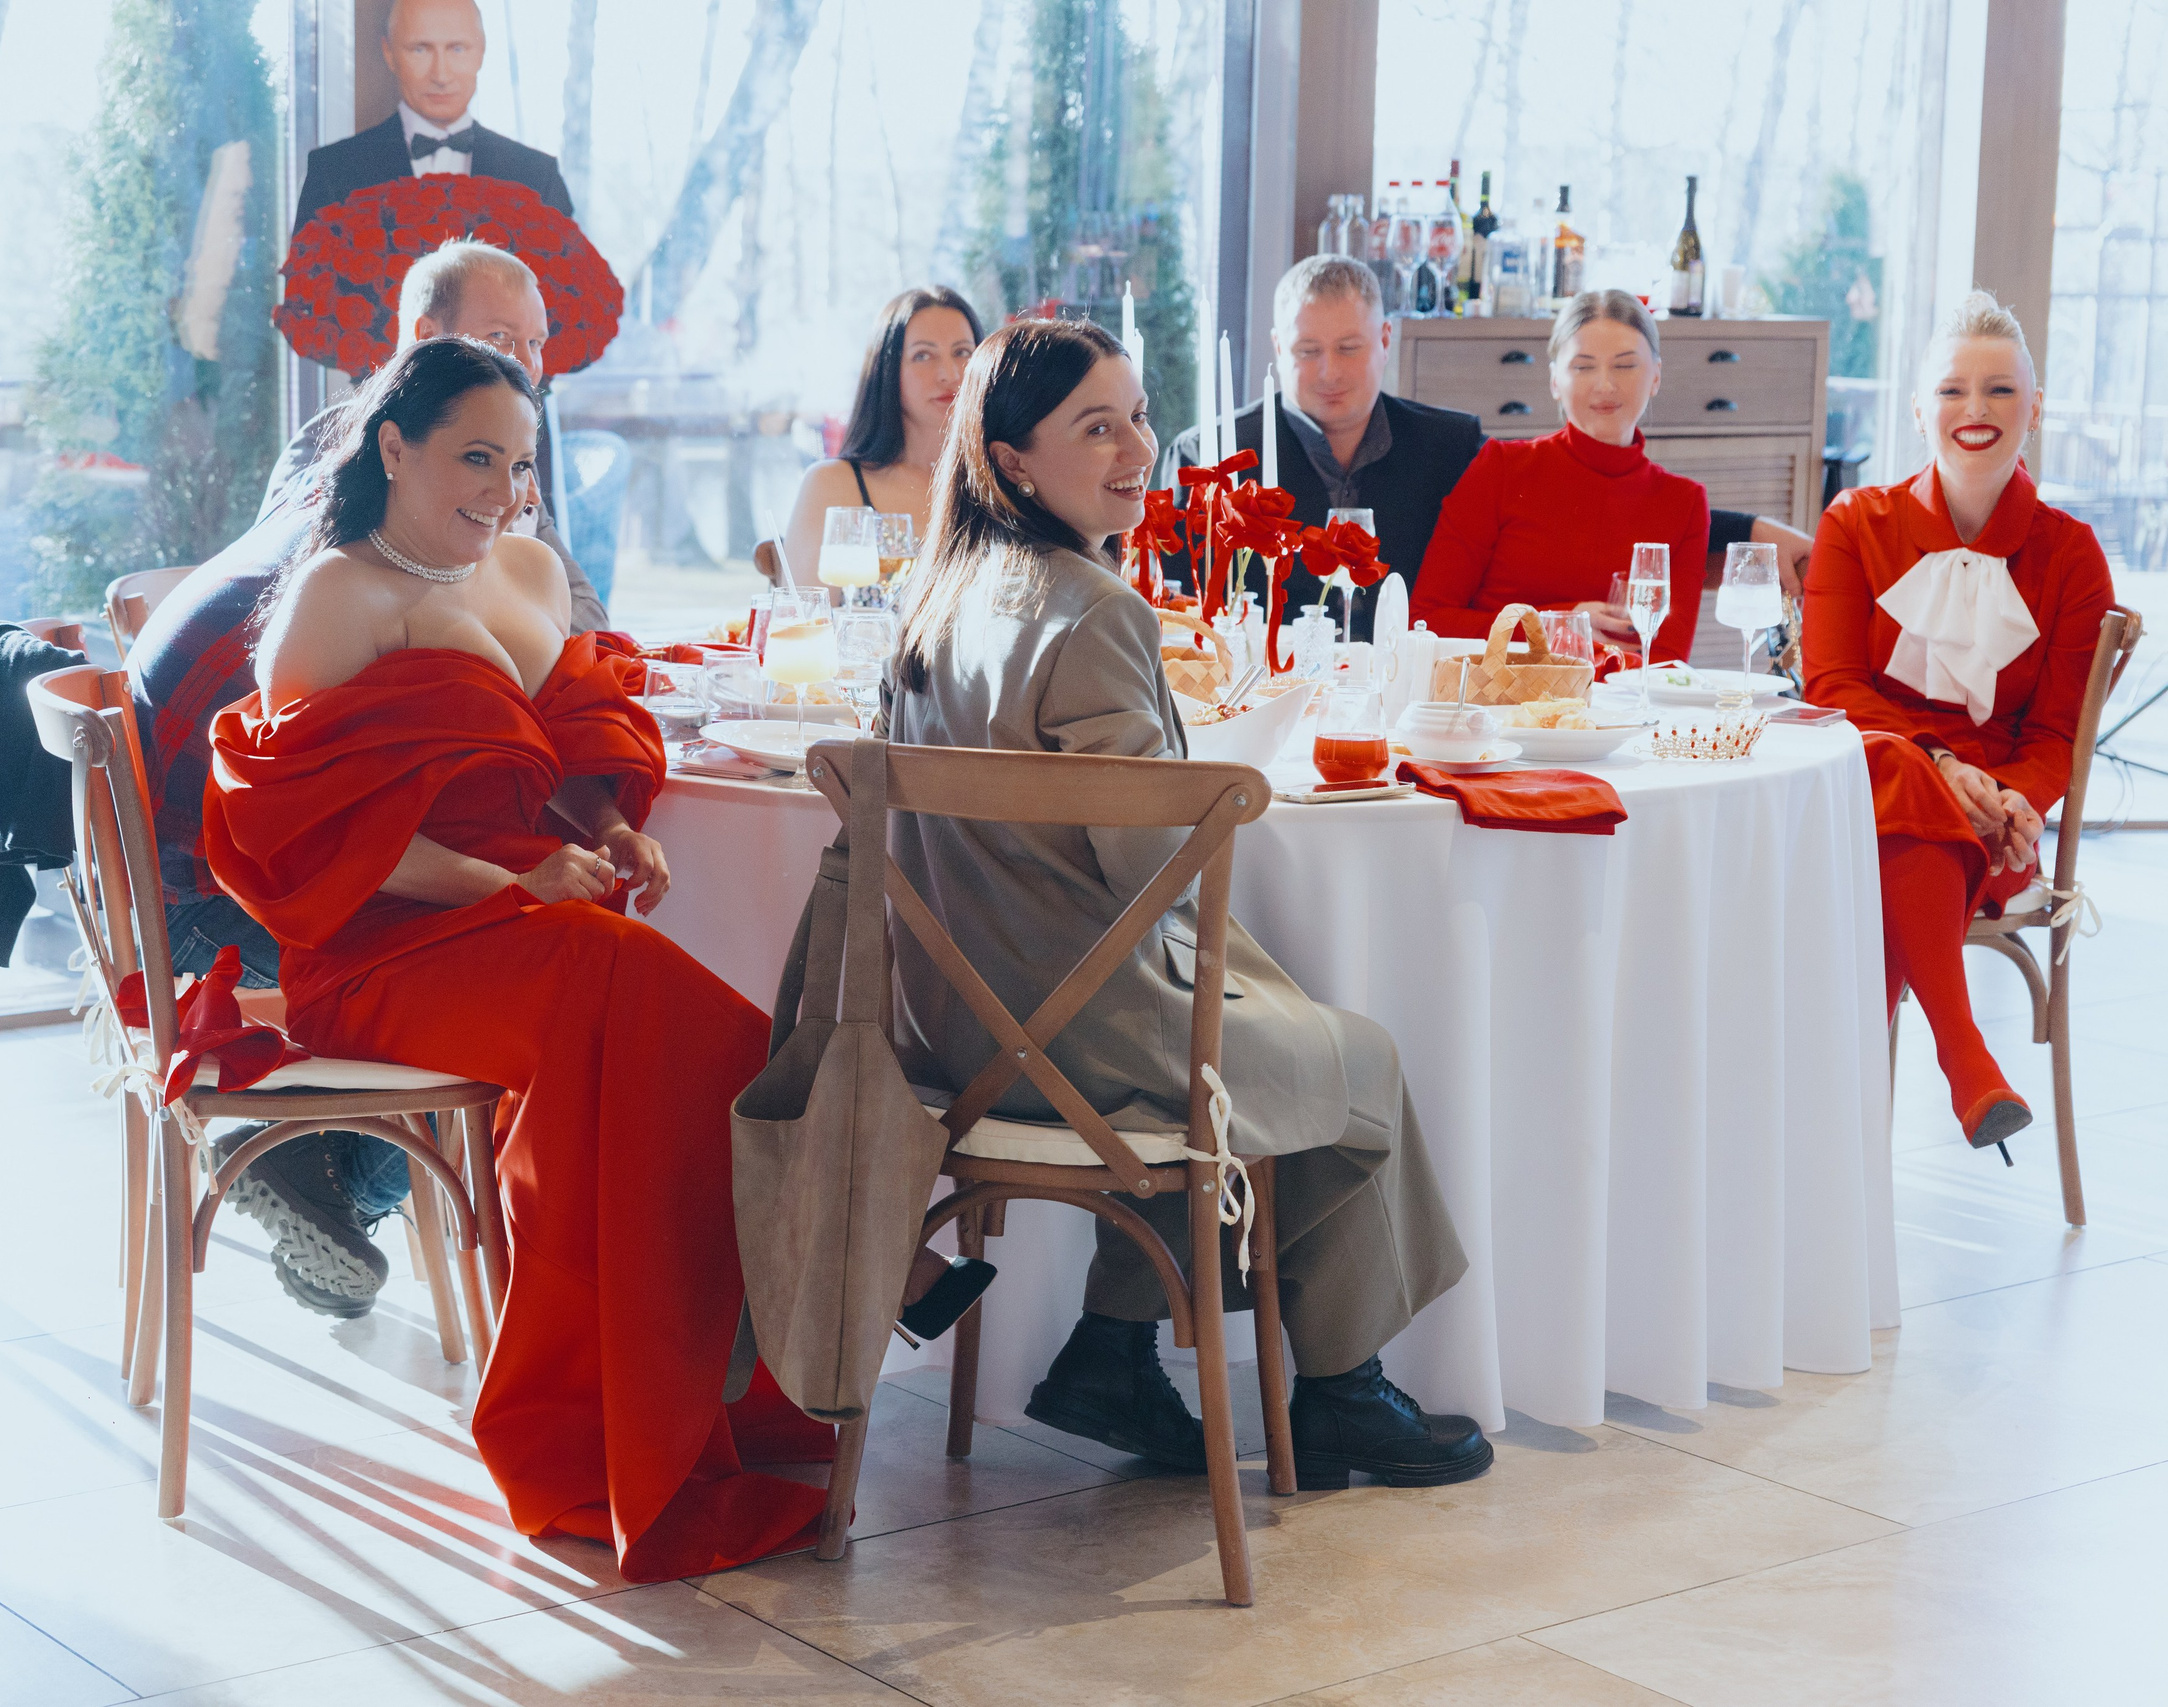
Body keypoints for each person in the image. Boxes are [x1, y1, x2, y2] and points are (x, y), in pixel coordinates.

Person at [199, 336, 832, 1579]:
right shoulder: (335, 597)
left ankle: (672, 1407)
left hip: (525, 926)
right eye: (473, 458)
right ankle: (618, 1422)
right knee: (666, 1016)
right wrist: (516, 881)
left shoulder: (515, 569)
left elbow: (567, 745)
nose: (502, 489)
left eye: (522, 463)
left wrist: (601, 831)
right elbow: (318, 842)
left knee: (638, 1037)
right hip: (383, 951)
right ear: (393, 448)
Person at [886, 318, 1490, 1488]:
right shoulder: (1093, 609)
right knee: (1356, 1068)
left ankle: (1116, 1352)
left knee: (1274, 1048)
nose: (1135, 449)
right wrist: (1213, 786)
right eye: (1094, 426)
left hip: (956, 1027)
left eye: (1138, 417)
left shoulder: (942, 596)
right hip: (1079, 1035)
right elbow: (1143, 867)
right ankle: (1339, 1390)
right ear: (1010, 458)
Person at [129, 241, 602, 1321]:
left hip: (214, 857)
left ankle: (355, 1173)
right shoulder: (389, 530)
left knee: (566, 946)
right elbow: (318, 819)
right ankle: (344, 1164)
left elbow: (562, 660)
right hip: (223, 901)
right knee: (543, 962)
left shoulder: (366, 464)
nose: (525, 370)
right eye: (498, 345)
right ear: (423, 365)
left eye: (535, 348)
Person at [1801, 291, 2115, 1151]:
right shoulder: (1853, 524)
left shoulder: (2072, 555)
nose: (1975, 411)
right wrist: (1941, 762)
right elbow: (1831, 685)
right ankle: (1966, 1059)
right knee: (1894, 767)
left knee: (1900, 822)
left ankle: (1834, 1148)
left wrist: (2012, 803)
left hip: (1996, 829)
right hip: (1862, 776)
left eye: (2000, 391)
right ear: (1918, 408)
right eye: (1952, 390)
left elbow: (2057, 735)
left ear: (2036, 411)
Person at [263, 238, 602, 625]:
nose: (526, 363)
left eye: (536, 342)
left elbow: (587, 611)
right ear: (426, 335)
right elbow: (284, 591)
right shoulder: (334, 441)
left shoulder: (508, 455)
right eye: (500, 337)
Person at [1155, 257, 1483, 639]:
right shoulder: (1207, 456)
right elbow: (1175, 609)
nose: (1330, 372)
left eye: (1348, 348)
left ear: (1385, 340)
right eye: (1308, 351)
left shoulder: (1452, 447)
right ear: (1279, 347)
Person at [1412, 289, 1711, 664]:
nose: (1605, 385)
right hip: (1497, 706)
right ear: (1555, 381)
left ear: (1656, 376)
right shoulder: (1501, 468)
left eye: (1625, 365)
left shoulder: (1684, 503)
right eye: (1584, 366)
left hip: (1616, 712)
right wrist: (1557, 627)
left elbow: (1665, 662)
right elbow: (1426, 621)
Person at [291, 0, 572, 235]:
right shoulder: (333, 171)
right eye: (420, 49)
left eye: (457, 49)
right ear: (389, 54)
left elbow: (571, 293)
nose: (441, 76)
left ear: (482, 52)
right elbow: (305, 290)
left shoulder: (538, 177)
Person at [781, 287, 983, 582]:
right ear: (886, 371)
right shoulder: (833, 485)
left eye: (962, 352)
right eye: (923, 355)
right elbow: (806, 618)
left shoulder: (1004, 481)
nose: (949, 373)